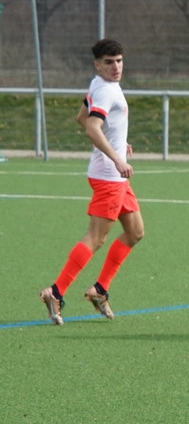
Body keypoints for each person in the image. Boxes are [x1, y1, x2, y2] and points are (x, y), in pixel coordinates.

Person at [39, 39, 145, 325]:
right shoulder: (106, 90)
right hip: (110, 177)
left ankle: (99, 289)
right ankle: (56, 292)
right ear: (97, 64)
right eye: (109, 62)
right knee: (96, 238)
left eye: (119, 61)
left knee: (135, 232)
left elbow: (82, 117)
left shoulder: (100, 85)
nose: (116, 66)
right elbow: (91, 127)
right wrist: (117, 158)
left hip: (113, 177)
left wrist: (118, 142)